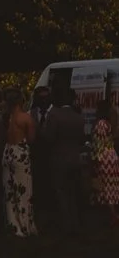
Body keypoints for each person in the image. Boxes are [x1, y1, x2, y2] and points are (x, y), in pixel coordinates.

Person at [35, 84, 88, 235]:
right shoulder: (78, 117)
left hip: (58, 160)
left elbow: (48, 137)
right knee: (73, 193)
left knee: (61, 193)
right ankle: (75, 223)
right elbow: (81, 139)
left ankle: (66, 225)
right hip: (75, 159)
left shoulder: (55, 116)